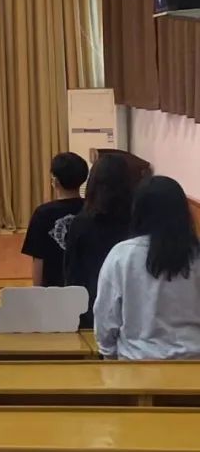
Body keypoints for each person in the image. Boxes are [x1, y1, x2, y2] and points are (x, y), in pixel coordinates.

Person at [95, 176, 200, 360]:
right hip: (194, 361)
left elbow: (106, 314)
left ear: (138, 211)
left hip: (137, 361)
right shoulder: (196, 254)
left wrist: (108, 352)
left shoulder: (122, 255)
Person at [65, 153, 133, 329]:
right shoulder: (137, 220)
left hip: (91, 305)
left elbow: (72, 272)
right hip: (131, 305)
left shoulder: (81, 222)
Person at [21, 152, 88, 287]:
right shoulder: (91, 209)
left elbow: (38, 259)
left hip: (53, 290)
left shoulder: (42, 213)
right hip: (86, 288)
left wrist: (37, 291)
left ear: (55, 181)